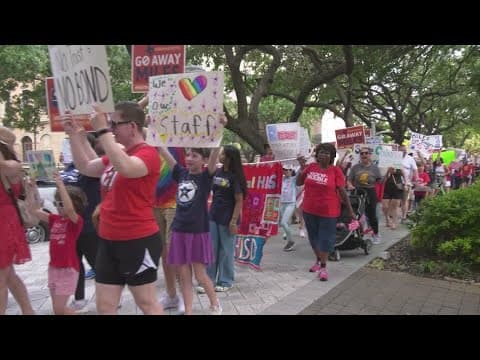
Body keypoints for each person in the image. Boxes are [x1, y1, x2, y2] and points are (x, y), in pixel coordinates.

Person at [63, 102, 164, 315]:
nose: (111, 128)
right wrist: (73, 135)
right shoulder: (119, 155)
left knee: (146, 303)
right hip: (109, 238)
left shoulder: (147, 153)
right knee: (105, 306)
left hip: (137, 239)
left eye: (114, 124)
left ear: (132, 127)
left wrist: (101, 130)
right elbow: (87, 167)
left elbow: (127, 168)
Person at [158, 145, 223, 315]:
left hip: (198, 232)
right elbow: (165, 154)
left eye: (194, 155)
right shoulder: (181, 173)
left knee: (200, 274)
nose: (189, 158)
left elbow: (214, 155)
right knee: (184, 276)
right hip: (179, 230)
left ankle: (215, 303)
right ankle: (188, 311)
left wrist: (217, 137)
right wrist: (155, 136)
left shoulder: (205, 177)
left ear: (204, 160)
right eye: (188, 155)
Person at [297, 143, 354, 281]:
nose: (324, 155)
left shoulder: (336, 171)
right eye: (321, 152)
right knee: (313, 238)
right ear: (317, 154)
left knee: (325, 239)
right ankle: (317, 260)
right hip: (309, 209)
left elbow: (342, 191)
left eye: (327, 153)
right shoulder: (311, 167)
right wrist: (301, 167)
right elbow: (299, 182)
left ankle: (323, 267)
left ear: (332, 156)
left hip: (329, 211)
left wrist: (350, 210)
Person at [30, 172, 86, 315]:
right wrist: (32, 188)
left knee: (60, 309)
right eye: (56, 203)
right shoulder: (55, 219)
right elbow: (33, 210)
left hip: (68, 270)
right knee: (58, 310)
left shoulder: (75, 221)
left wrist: (60, 185)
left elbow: (69, 209)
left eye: (61, 203)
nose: (58, 207)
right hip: (54, 268)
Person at [0, 127, 35, 315]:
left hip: (3, 222)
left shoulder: (11, 165)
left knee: (2, 278)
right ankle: (29, 311)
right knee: (9, 276)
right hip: (4, 221)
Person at [69, 133, 103, 312]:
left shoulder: (93, 168)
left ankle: (110, 296)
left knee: (98, 264)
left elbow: (96, 165)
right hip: (70, 226)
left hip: (89, 225)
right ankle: (79, 298)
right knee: (74, 263)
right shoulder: (68, 168)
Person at [207, 144, 247, 291]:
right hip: (213, 216)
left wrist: (233, 221)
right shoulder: (217, 172)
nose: (220, 156)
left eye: (222, 154)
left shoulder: (235, 177)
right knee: (211, 249)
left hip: (228, 218)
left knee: (226, 250)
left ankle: (225, 281)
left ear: (229, 158)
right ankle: (208, 280)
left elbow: (239, 200)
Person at [154, 147, 186, 314]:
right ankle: (171, 294)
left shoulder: (180, 137)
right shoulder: (149, 140)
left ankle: (184, 295)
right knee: (164, 253)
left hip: (175, 202)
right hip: (154, 203)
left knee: (175, 252)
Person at [347, 147, 382, 244]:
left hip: (370, 192)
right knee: (355, 214)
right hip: (357, 192)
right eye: (362, 153)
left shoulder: (375, 168)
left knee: (372, 215)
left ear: (370, 155)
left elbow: (380, 181)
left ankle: (376, 233)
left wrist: (387, 174)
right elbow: (349, 180)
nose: (364, 155)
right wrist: (350, 185)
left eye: (366, 153)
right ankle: (352, 234)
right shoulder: (355, 167)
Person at [279, 165, 297, 251]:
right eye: (284, 170)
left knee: (283, 223)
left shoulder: (294, 179)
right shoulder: (281, 179)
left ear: (291, 170)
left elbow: (300, 170)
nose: (285, 171)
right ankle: (287, 234)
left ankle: (291, 242)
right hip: (282, 203)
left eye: (287, 170)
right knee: (285, 223)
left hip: (290, 203)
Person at [399, 145, 418, 221]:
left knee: (404, 199)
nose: (403, 152)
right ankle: (393, 214)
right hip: (394, 182)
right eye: (401, 150)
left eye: (404, 150)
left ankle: (404, 216)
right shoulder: (394, 158)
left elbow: (415, 169)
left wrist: (416, 178)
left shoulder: (410, 159)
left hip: (406, 182)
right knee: (396, 200)